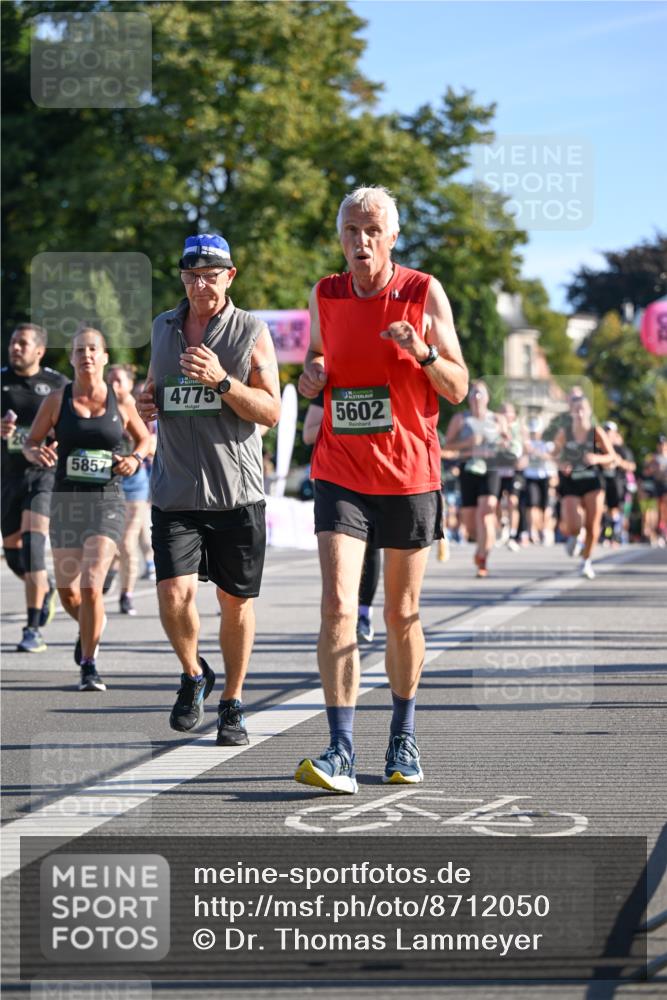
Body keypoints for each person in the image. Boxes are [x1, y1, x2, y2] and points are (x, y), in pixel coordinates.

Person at [295, 186, 467, 794]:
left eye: (372, 230)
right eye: (351, 230)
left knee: (400, 613)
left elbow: (457, 386)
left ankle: (402, 735)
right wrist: (311, 377)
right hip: (340, 470)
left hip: (408, 473)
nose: (361, 241)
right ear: (340, 237)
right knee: (339, 606)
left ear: (392, 236)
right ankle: (340, 748)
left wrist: (422, 351)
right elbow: (317, 362)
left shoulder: (423, 292)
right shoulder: (325, 293)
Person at [136, 233, 281, 744]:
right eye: (192, 276)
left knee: (234, 603)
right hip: (174, 489)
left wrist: (222, 382)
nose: (200, 285)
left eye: (211, 276)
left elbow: (272, 411)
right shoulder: (163, 327)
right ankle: (194, 673)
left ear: (230, 276)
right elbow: (152, 388)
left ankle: (232, 703)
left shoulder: (251, 331)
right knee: (173, 594)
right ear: (182, 277)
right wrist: (146, 403)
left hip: (235, 492)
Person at [23, 326, 150, 690]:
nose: (87, 355)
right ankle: (90, 625)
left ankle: (89, 664)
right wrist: (37, 452)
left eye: (93, 349)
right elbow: (31, 442)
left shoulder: (120, 400)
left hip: (107, 500)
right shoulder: (56, 400)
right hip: (66, 501)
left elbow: (144, 439)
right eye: (79, 350)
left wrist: (134, 459)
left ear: (105, 357)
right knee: (69, 592)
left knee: (92, 584)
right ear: (72, 358)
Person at [1, 323, 67, 652]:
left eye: (23, 343)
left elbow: (78, 422)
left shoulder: (57, 384)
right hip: (8, 476)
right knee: (15, 556)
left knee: (32, 545)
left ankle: (32, 629)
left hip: (44, 474)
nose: (15, 347)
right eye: (13, 342)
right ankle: (45, 587)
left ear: (39, 350)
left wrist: (60, 440)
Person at [302, 391, 381, 644]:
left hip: (380, 472)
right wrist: (344, 416)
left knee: (372, 547)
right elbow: (308, 434)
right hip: (339, 476)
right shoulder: (326, 383)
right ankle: (345, 613)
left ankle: (364, 613)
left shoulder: (384, 377)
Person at [442, 380, 509, 578]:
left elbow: (509, 442)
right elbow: (447, 446)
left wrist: (503, 444)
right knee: (471, 524)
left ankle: (483, 557)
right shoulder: (460, 419)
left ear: (487, 398)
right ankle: (481, 542)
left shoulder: (497, 419)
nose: (477, 397)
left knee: (486, 511)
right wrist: (468, 443)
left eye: (481, 394)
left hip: (491, 468)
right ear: (469, 398)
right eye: (473, 394)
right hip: (468, 468)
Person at [107, 364, 156, 614]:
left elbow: (153, 443)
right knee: (110, 542)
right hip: (106, 483)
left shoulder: (141, 410)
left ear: (129, 384)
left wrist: (135, 456)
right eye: (110, 380)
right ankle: (112, 568)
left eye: (119, 381)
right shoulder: (98, 408)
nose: (113, 385)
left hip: (136, 484)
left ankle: (126, 594)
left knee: (127, 542)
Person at [553, 392, 615, 579]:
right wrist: (562, 464)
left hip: (593, 481)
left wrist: (596, 458)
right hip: (571, 481)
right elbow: (554, 455)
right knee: (573, 525)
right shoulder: (565, 433)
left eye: (583, 410)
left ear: (589, 412)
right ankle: (573, 536)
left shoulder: (596, 432)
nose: (579, 414)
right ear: (571, 412)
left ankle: (586, 561)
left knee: (592, 524)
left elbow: (612, 456)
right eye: (576, 410)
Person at [522, 416, 556, 544]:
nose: (534, 434)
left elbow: (553, 458)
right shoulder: (527, 443)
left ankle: (545, 530)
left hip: (545, 476)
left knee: (545, 506)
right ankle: (532, 531)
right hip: (530, 476)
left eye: (536, 432)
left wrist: (538, 453)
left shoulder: (547, 443)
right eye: (532, 432)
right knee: (531, 504)